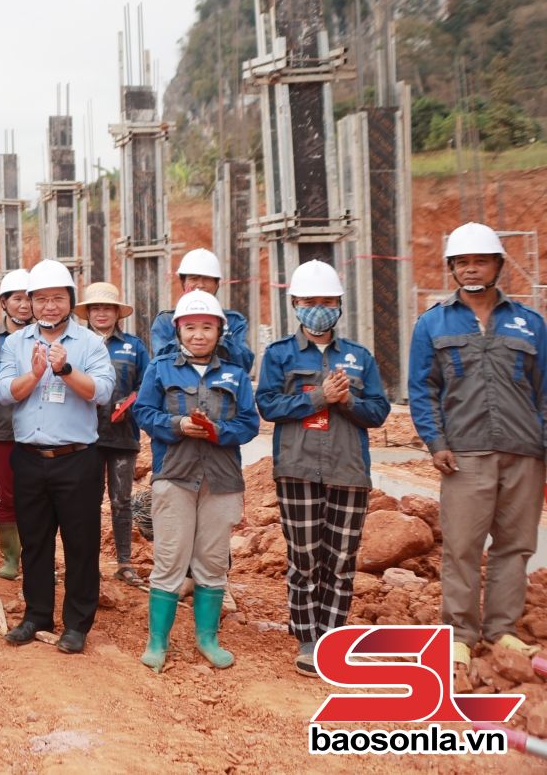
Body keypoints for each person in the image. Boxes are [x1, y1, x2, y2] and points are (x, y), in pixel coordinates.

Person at [409, 222, 547, 669]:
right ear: (452, 268)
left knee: (515, 546)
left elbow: (544, 390)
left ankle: (503, 631)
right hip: (464, 455)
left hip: (524, 452)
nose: (471, 269)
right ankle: (460, 634)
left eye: (480, 261)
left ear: (498, 265)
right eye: (462, 262)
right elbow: (423, 389)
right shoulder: (432, 323)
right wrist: (436, 441)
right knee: (463, 547)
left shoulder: (531, 324)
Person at [257, 260, 390, 676]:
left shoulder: (359, 357)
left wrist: (347, 401)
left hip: (348, 470)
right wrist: (319, 398)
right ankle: (306, 637)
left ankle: (332, 636)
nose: (319, 309)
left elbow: (379, 411)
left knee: (341, 559)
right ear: (295, 304)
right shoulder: (279, 355)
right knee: (303, 557)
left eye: (328, 302)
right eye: (310, 301)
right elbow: (268, 405)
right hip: (297, 467)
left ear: (340, 305)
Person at [135, 291, 259, 671]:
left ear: (219, 331)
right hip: (175, 476)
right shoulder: (160, 368)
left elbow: (250, 423)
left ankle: (207, 639)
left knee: (212, 561)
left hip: (221, 479)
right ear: (179, 331)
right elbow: (143, 412)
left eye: (207, 327)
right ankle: (158, 641)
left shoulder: (235, 374)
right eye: (190, 327)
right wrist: (177, 425)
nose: (199, 334)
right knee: (170, 559)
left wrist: (219, 431)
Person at [0, 259, 114, 654]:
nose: (49, 306)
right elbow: (4, 393)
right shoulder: (15, 343)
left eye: (58, 298)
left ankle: (77, 624)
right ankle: (37, 615)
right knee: (35, 541)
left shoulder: (90, 343)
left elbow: (101, 392)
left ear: (70, 301)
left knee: (81, 544)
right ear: (30, 302)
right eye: (41, 299)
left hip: (77, 459)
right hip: (29, 457)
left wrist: (64, 369)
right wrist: (33, 375)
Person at [74, 281, 150, 588]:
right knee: (86, 502)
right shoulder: (77, 344)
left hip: (123, 437)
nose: (101, 313)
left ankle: (124, 563)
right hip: (84, 436)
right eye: (95, 308)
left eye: (107, 308)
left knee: (121, 500)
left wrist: (132, 402)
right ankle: (87, 563)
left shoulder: (134, 346)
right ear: (88, 313)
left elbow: (147, 385)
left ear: (117, 313)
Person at [0, 269, 31, 581]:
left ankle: (35, 554)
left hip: (38, 427)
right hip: (0, 426)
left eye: (29, 298)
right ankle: (11, 557)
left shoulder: (45, 337)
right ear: (4, 302)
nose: (24, 305)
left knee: (37, 494)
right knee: (7, 493)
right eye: (17, 298)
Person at [148, 249, 253, 370]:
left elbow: (245, 362)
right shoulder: (165, 321)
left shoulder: (234, 321)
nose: (200, 285)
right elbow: (160, 363)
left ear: (217, 284)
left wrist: (217, 340)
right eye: (193, 279)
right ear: (183, 282)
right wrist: (186, 339)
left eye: (207, 279)